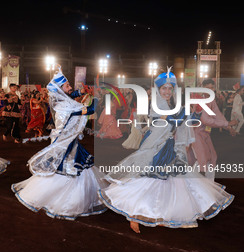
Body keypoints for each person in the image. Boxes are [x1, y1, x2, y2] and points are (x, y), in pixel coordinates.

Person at [98, 70, 234, 233]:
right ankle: (134, 214)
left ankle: (159, 213)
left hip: (168, 145)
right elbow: (170, 120)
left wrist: (195, 114)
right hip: (156, 146)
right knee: (148, 180)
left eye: (170, 88)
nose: (167, 92)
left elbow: (180, 122)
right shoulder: (157, 103)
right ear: (158, 90)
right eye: (164, 88)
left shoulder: (170, 104)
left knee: (166, 182)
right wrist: (186, 113)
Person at [11, 65, 107, 220]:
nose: (71, 87)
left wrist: (81, 92)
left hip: (67, 140)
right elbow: (89, 110)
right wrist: (98, 97)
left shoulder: (61, 100)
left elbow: (70, 95)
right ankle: (64, 201)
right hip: (65, 142)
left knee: (72, 168)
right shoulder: (63, 106)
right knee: (66, 169)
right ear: (60, 89)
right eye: (67, 85)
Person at [187, 79, 237, 181]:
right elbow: (206, 120)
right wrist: (227, 123)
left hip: (204, 133)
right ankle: (196, 187)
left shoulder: (211, 100)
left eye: (212, 88)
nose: (210, 90)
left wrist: (229, 128)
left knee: (212, 158)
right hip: (194, 133)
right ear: (202, 87)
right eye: (207, 87)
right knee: (202, 160)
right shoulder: (199, 99)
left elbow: (217, 115)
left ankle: (208, 185)